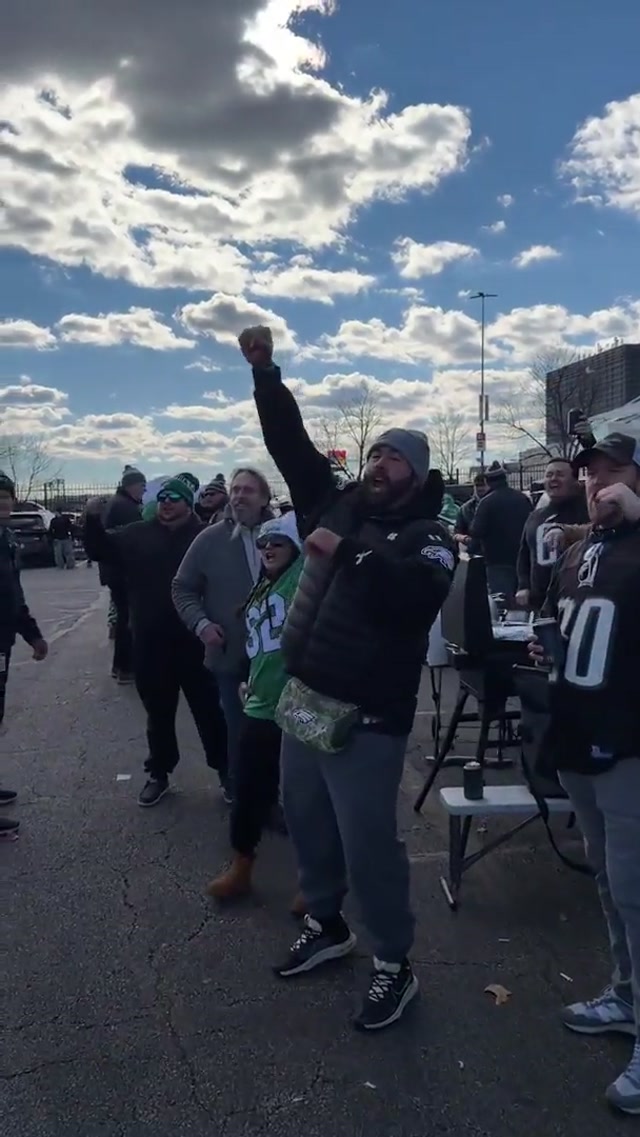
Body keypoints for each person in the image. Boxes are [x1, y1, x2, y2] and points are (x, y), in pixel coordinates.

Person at [239, 326, 457, 1032]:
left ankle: (394, 960)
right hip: (305, 697)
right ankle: (327, 924)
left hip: (369, 716)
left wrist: (350, 553)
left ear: (417, 474)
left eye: (394, 455)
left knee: (368, 842)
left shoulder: (430, 536)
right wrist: (266, 375)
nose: (378, 462)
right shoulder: (336, 505)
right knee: (304, 816)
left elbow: (413, 597)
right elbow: (290, 447)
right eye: (374, 453)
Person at [529, 431, 640, 1115]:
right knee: (609, 881)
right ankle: (627, 993)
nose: (599, 482)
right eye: (591, 473)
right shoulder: (584, 546)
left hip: (630, 744)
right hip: (581, 736)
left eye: (615, 469)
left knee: (638, 891)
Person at [84, 475, 228, 807]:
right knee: (158, 713)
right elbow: (99, 548)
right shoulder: (137, 533)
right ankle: (159, 773)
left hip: (195, 640)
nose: (166, 503)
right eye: (162, 498)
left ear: (188, 503)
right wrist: (92, 518)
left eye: (174, 498)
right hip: (151, 641)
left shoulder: (204, 536)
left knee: (209, 712)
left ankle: (226, 771)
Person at [207, 512, 303, 900]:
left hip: (297, 705)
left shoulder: (302, 579)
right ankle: (241, 866)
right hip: (260, 705)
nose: (268, 549)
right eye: (264, 543)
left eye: (278, 543)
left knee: (303, 798)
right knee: (246, 790)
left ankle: (314, 882)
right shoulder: (261, 586)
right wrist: (249, 678)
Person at [173, 467, 273, 796]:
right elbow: (182, 587)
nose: (240, 496)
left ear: (264, 498)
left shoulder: (285, 534)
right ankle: (242, 793)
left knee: (280, 731)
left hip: (279, 657)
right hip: (232, 655)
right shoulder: (210, 539)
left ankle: (276, 794)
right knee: (239, 729)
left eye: (248, 490)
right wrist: (202, 625)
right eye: (236, 489)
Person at [0, 472, 48, 836]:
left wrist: (32, 635)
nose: (3, 502)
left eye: (6, 496)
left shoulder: (6, 539)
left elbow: (12, 596)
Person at [515, 457, 589, 612]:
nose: (553, 479)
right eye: (549, 475)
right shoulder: (536, 516)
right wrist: (523, 586)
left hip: (575, 601)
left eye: (560, 474)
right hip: (539, 601)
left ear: (575, 481)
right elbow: (524, 554)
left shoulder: (588, 512)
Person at [102, 467, 146, 683]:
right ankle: (126, 668)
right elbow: (133, 541)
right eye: (142, 486)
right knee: (128, 620)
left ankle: (120, 666)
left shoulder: (116, 503)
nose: (143, 491)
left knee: (123, 618)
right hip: (124, 572)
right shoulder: (126, 507)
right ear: (132, 486)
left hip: (114, 571)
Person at [469, 461, 532, 597]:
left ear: (488, 481)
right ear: (505, 478)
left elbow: (476, 531)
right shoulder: (523, 498)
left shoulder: (486, 502)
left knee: (501, 601)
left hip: (497, 561)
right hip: (523, 560)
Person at [454, 473, 488, 550]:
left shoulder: (496, 505)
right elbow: (456, 533)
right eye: (477, 485)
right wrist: (464, 538)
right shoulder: (465, 509)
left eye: (483, 485)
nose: (480, 488)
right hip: (474, 551)